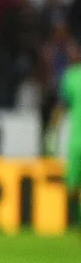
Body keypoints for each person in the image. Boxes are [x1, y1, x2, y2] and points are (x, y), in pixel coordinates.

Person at [52, 41, 81, 225]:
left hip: (76, 140)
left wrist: (51, 130)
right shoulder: (70, 76)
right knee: (72, 182)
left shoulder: (70, 76)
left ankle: (72, 220)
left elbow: (61, 107)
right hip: (76, 138)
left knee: (72, 183)